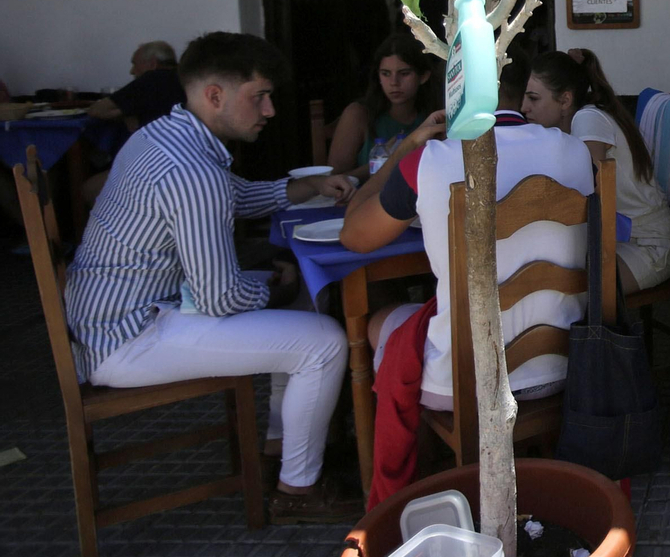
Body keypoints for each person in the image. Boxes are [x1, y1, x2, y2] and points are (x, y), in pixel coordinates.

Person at [64, 32, 360, 523]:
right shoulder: (190, 170)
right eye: (259, 97)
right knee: (324, 342)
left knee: (305, 301)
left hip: (111, 315)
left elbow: (232, 196)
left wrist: (302, 187)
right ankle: (297, 491)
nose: (269, 111)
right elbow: (221, 297)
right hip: (127, 337)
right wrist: (269, 284)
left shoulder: (163, 136)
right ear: (214, 95)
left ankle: (277, 449)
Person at [340, 46, 594, 504]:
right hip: (565, 365)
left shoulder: (432, 159)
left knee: (379, 325)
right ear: (521, 92)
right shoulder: (577, 152)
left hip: (464, 383)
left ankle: (418, 484)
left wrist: (404, 149)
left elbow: (354, 236)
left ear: (455, 92)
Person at [524, 49, 670, 292]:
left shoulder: (587, 119)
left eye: (533, 98)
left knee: (557, 291)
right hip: (612, 243)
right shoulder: (567, 129)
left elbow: (592, 194)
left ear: (565, 100)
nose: (524, 107)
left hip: (646, 248)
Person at [327, 33, 440, 178]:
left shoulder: (433, 115)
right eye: (386, 74)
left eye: (404, 73)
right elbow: (333, 183)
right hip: (362, 198)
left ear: (423, 76)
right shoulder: (358, 115)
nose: (394, 82)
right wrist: (387, 159)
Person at [85, 40, 186, 131]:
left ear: (152, 64)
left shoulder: (151, 79)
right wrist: (128, 114)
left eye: (135, 64)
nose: (132, 71)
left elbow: (97, 110)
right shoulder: (186, 76)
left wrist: (126, 113)